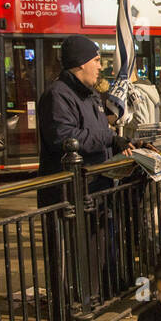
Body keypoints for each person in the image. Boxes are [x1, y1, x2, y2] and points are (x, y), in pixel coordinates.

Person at [38, 34, 131, 204]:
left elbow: (98, 133)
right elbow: (64, 137)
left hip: (95, 190)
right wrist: (110, 139)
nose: (100, 67)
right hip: (71, 198)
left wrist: (125, 146)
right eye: (96, 60)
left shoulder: (90, 94)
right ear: (81, 63)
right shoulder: (57, 95)